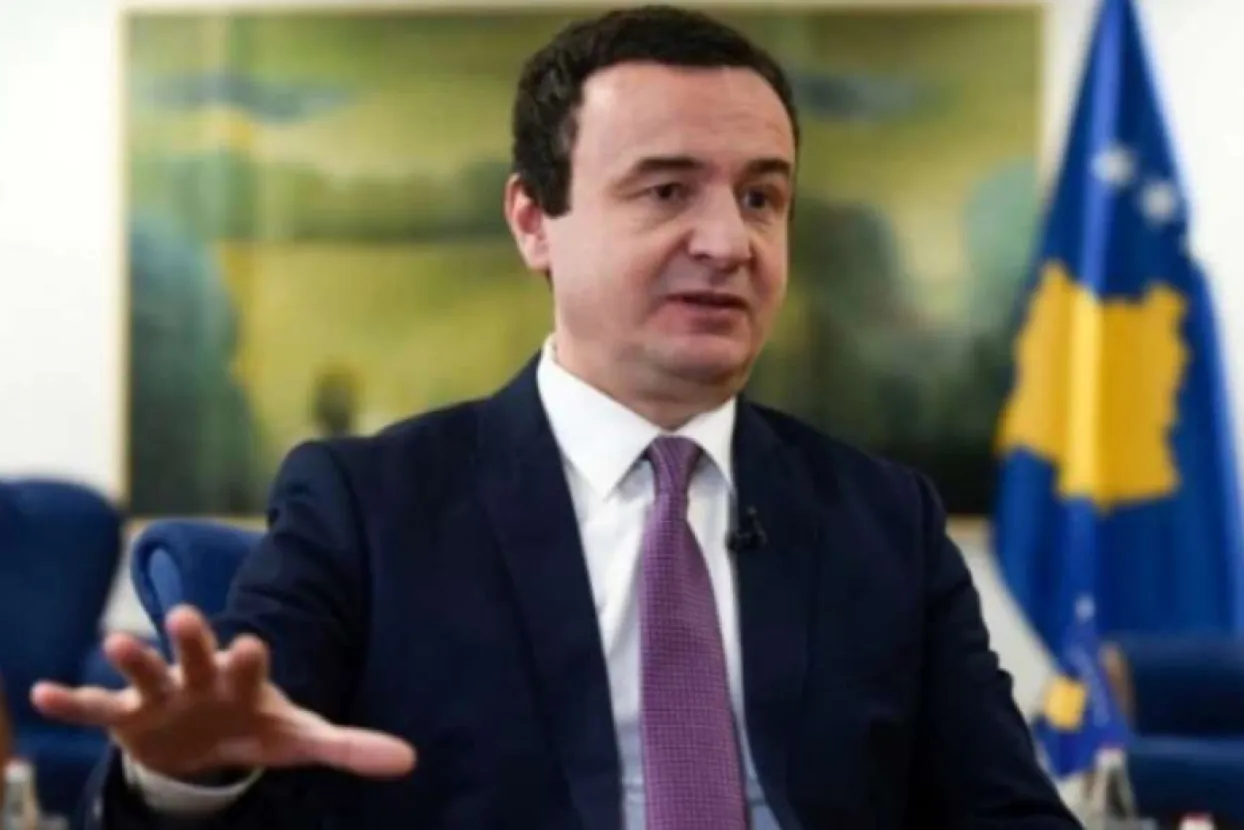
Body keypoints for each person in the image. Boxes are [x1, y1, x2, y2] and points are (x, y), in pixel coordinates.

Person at [34, 6, 1080, 829]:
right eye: (666, 191)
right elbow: (241, 759)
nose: (728, 241)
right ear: (534, 221)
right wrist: (184, 777)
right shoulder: (368, 507)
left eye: (761, 197)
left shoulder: (884, 519)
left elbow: (1008, 812)